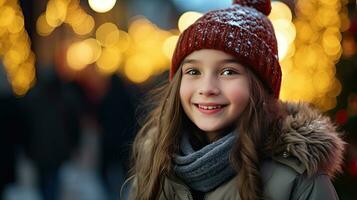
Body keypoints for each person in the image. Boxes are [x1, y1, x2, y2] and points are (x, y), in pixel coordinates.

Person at [125, 0, 346, 199]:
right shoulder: (156, 166)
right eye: (193, 72)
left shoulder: (299, 180)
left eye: (228, 72)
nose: (207, 88)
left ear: (259, 86)